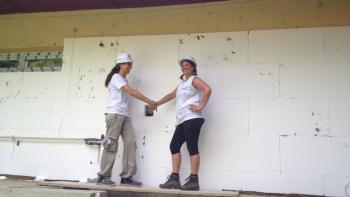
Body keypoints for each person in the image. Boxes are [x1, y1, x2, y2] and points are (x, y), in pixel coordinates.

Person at [97, 52, 157, 185]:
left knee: (131, 144)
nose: (130, 66)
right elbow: (132, 92)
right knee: (111, 144)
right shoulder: (116, 77)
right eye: (128, 64)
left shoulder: (124, 80)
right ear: (120, 64)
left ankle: (126, 177)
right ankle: (103, 176)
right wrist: (150, 102)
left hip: (124, 115)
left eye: (131, 64)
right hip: (115, 114)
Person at [155, 55, 212, 190]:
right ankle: (174, 178)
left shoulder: (194, 80)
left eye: (187, 65)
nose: (184, 67)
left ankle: (194, 180)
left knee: (192, 146)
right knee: (174, 145)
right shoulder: (182, 84)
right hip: (182, 120)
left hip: (192, 118)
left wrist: (200, 106)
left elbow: (207, 89)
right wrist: (156, 103)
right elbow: (170, 96)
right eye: (182, 66)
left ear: (193, 67)